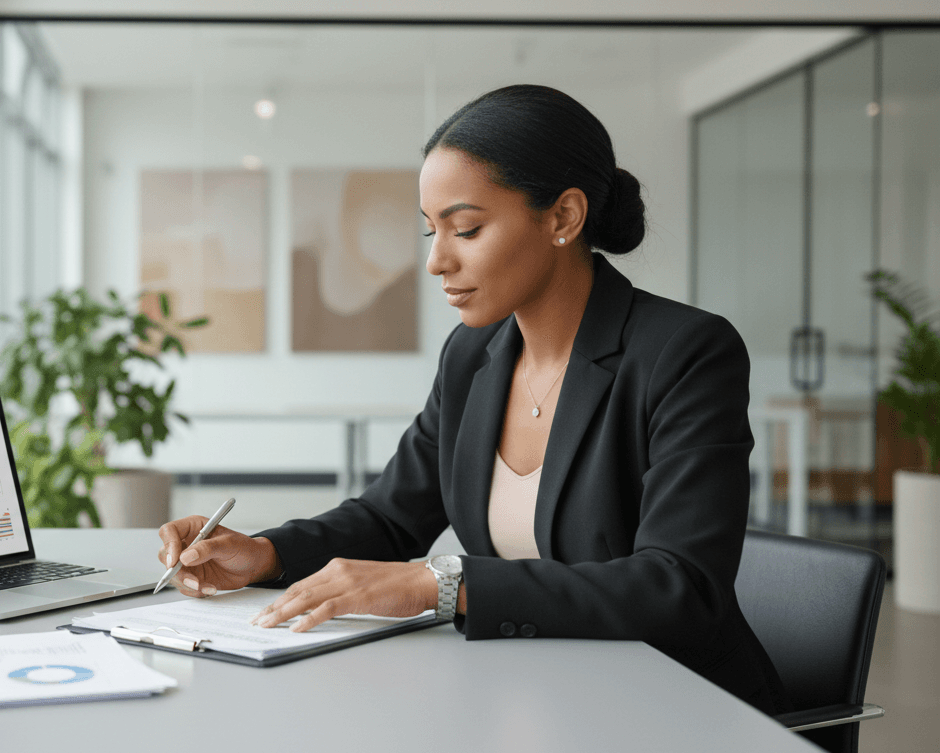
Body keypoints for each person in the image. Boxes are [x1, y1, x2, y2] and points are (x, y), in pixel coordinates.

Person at [156, 84, 788, 715]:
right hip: (534, 696)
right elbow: (389, 517)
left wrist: (441, 584)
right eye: (432, 231)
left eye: (466, 228)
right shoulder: (471, 356)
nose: (436, 261)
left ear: (564, 218)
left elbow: (679, 587)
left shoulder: (684, 352)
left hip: (674, 708)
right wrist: (266, 554)